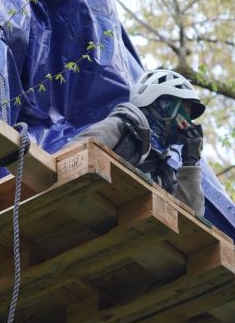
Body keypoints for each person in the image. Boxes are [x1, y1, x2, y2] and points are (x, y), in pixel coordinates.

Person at [77, 70, 206, 216]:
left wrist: (191, 162)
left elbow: (190, 222)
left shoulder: (164, 174)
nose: (188, 122)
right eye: (186, 110)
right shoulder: (121, 129)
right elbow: (72, 160)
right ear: (163, 103)